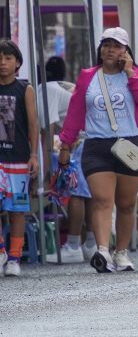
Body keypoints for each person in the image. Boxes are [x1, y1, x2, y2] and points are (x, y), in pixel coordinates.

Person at [59, 27, 138, 273]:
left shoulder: (135, 75)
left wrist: (131, 72)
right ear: (100, 49)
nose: (110, 49)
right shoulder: (88, 76)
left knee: (125, 203)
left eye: (116, 45)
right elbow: (75, 112)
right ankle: (102, 250)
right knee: (101, 200)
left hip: (128, 145)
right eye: (106, 45)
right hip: (97, 145)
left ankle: (121, 252)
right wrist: (66, 144)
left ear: (126, 51)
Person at [38, 56, 95, 264]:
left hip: (78, 142)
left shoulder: (46, 90)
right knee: (87, 194)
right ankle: (90, 243)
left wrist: (45, 170)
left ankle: (72, 245)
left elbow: (49, 130)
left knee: (77, 192)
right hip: (89, 139)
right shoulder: (61, 88)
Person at [0, 39, 39, 276]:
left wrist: (34, 154)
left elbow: (34, 125)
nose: (2, 63)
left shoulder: (26, 89)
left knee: (17, 210)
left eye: (7, 58)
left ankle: (14, 257)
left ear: (18, 63)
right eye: (0, 58)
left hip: (18, 158)